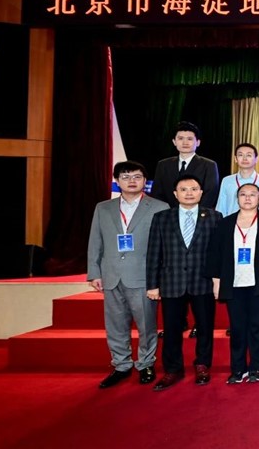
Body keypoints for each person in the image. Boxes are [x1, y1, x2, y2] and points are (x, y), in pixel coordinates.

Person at [87, 161, 169, 389]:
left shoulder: (159, 207)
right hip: (111, 274)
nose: (131, 181)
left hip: (143, 276)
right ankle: (121, 365)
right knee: (115, 324)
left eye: (137, 176)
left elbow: (165, 246)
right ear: (116, 181)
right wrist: (94, 272)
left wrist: (160, 278)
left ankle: (146, 363)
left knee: (146, 324)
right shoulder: (103, 208)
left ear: (145, 181)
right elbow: (95, 241)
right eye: (125, 176)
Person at [146, 174, 223, 391]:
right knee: (171, 329)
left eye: (194, 189)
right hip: (172, 282)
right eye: (183, 189)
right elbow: (154, 252)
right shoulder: (162, 218)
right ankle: (173, 369)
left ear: (201, 192)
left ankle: (202, 365)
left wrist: (219, 281)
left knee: (205, 327)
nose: (189, 193)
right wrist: (152, 284)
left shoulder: (214, 216)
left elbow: (218, 252)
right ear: (175, 193)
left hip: (203, 282)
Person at [207, 183, 259, 384]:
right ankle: (238, 369)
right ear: (237, 199)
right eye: (243, 194)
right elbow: (215, 253)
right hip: (233, 282)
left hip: (258, 282)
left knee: (257, 326)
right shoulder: (225, 223)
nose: (247, 198)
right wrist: (216, 282)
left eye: (252, 194)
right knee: (237, 327)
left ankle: (255, 368)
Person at [151, 121, 220, 209]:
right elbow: (157, 193)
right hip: (168, 214)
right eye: (180, 138)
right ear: (174, 142)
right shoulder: (163, 165)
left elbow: (210, 194)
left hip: (198, 214)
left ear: (198, 142)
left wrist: (193, 213)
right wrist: (169, 213)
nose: (185, 142)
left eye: (190, 139)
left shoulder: (209, 165)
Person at [215, 143, 259, 217]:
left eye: (249, 155)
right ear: (235, 159)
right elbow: (221, 208)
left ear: (256, 159)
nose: (244, 158)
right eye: (240, 155)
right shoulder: (227, 181)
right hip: (231, 222)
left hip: (257, 222)